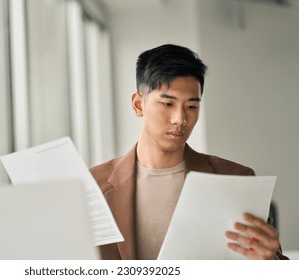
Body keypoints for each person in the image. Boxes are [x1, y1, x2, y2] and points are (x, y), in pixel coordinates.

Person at [90, 44, 288, 260]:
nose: (180, 119)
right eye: (167, 103)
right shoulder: (92, 186)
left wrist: (270, 261)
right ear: (138, 105)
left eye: (192, 107)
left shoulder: (235, 178)